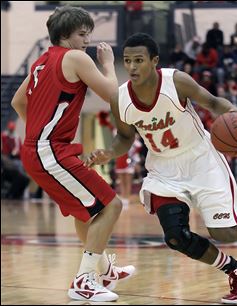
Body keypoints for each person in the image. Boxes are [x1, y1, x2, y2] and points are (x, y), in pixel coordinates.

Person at [85, 33, 237, 304]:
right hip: (163, 170)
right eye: (127, 61)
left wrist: (236, 112)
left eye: (139, 60)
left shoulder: (176, 82)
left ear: (154, 61)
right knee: (176, 237)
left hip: (201, 161)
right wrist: (108, 153)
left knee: (224, 233)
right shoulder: (120, 99)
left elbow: (213, 103)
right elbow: (125, 138)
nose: (133, 67)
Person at [10, 6, 135, 302]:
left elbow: (18, 101)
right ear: (64, 35)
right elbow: (112, 95)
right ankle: (84, 281)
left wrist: (40, 132)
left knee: (88, 210)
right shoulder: (75, 57)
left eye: (88, 34)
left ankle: (103, 270)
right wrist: (108, 64)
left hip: (41, 149)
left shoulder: (41, 62)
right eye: (82, 34)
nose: (87, 41)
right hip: (50, 150)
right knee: (111, 206)